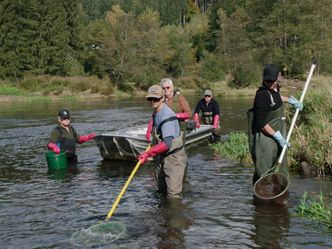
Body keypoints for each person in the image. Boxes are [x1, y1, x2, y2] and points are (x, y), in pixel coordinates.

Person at [248, 64, 303, 185]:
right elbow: (262, 124)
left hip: (277, 137)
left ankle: (281, 195)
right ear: (264, 79)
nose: (269, 83)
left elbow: (276, 98)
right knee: (264, 171)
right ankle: (262, 198)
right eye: (267, 81)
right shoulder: (262, 95)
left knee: (281, 167)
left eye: (272, 81)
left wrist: (291, 101)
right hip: (265, 139)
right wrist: (277, 136)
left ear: (276, 79)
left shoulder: (274, 90)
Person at [139, 85, 187, 199]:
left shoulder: (166, 115)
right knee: (161, 190)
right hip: (161, 156)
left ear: (162, 98)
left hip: (173, 157)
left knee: (173, 195)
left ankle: (175, 215)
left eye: (155, 99)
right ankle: (162, 215)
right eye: (150, 99)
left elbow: (167, 143)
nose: (152, 101)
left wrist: (148, 154)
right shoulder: (156, 112)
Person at [145, 78, 192, 142]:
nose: (166, 90)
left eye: (168, 87)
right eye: (163, 88)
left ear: (172, 88)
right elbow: (154, 116)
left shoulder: (180, 98)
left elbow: (189, 114)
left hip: (179, 129)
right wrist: (148, 131)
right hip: (164, 129)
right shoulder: (159, 100)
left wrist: (174, 115)